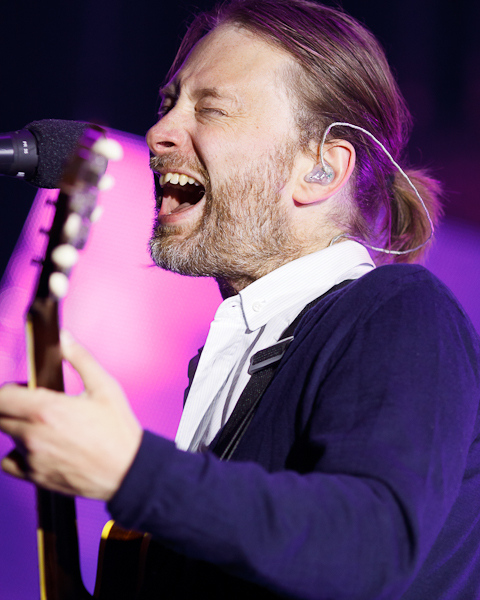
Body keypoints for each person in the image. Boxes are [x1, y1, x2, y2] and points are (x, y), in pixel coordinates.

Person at [1, 1, 480, 598]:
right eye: (169, 103)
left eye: (211, 109)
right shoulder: (242, 359)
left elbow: (367, 548)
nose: (158, 133)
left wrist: (129, 469)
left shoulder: (399, 311)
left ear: (320, 169)